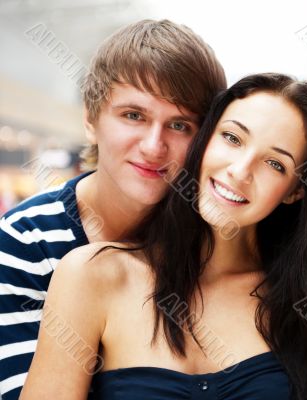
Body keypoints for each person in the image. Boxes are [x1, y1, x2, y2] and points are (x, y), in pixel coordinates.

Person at [20, 73, 307, 399]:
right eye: (232, 139)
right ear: (204, 140)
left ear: (295, 190)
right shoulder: (92, 276)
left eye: (274, 163)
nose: (240, 170)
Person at [0, 19, 226, 400]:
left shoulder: (217, 238)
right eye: (133, 116)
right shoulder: (25, 241)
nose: (154, 146)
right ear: (91, 119)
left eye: (179, 125)